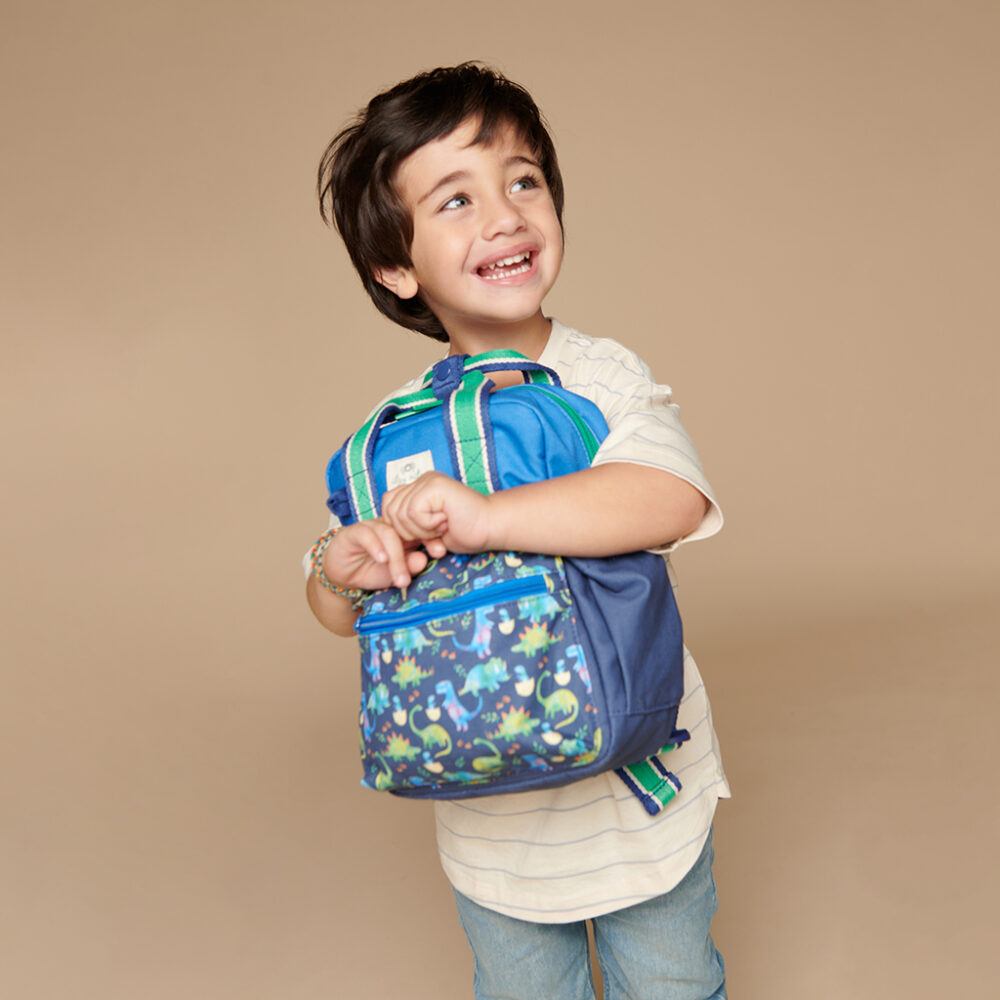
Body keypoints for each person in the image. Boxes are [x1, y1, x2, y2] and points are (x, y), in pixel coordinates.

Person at [306, 63, 729, 1000]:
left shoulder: (599, 379)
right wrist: (342, 570)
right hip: (487, 810)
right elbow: (343, 609)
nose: (504, 215)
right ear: (396, 265)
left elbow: (671, 497)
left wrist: (488, 516)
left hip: (636, 800)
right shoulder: (394, 434)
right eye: (455, 200)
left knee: (669, 983)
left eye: (523, 180)